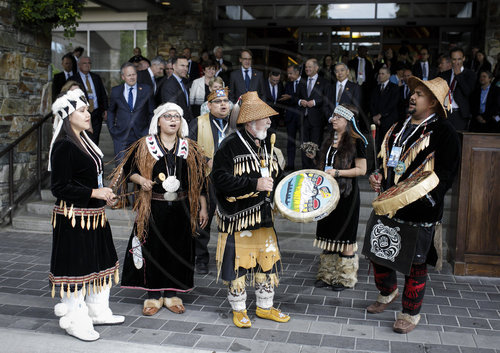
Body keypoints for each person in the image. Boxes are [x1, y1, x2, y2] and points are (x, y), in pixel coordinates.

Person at [366, 77, 460, 334]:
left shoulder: (444, 132)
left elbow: (446, 173)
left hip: (420, 211)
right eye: (413, 92)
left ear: (432, 102)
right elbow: (386, 162)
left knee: (414, 264)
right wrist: (377, 177)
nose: (413, 96)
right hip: (388, 205)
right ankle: (388, 293)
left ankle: (410, 312)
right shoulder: (397, 126)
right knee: (379, 253)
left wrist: (427, 200)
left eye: (419, 94)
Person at [114, 102, 208, 316]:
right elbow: (129, 171)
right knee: (153, 249)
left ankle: (173, 294)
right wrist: (141, 179)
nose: (173, 120)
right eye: (168, 116)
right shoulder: (145, 145)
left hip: (182, 208)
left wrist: (203, 207)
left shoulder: (189, 148)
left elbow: (200, 181)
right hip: (153, 206)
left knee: (178, 249)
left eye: (176, 116)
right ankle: (153, 296)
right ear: (158, 121)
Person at [49, 89, 124, 342]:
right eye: (81, 111)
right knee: (77, 268)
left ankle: (97, 310)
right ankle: (75, 319)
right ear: (67, 116)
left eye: (87, 110)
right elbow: (58, 187)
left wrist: (104, 194)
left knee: (101, 262)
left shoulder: (85, 140)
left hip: (94, 215)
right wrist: (94, 192)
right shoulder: (63, 145)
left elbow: (93, 180)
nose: (87, 114)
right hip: (73, 218)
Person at [212, 91, 290, 328]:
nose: (269, 122)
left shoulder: (266, 142)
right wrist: (254, 184)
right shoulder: (229, 145)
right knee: (239, 263)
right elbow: (218, 179)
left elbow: (275, 175)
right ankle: (239, 310)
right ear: (249, 122)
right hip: (239, 218)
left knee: (267, 261)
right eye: (264, 118)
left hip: (263, 217)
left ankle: (265, 307)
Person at [308, 104, 367, 291]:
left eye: (338, 117)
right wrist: (313, 157)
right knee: (328, 233)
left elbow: (361, 170)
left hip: (347, 195)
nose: (334, 120)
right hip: (327, 194)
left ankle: (344, 276)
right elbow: (324, 166)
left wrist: (338, 172)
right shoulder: (328, 140)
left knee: (345, 236)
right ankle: (327, 274)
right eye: (333, 116)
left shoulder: (357, 142)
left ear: (348, 121)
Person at [189, 87, 232, 274]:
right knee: (203, 219)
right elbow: (188, 147)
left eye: (225, 102)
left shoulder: (235, 123)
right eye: (218, 102)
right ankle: (201, 258)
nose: (223, 105)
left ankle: (230, 256)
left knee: (231, 218)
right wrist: (206, 160)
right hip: (207, 178)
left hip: (231, 178)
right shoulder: (198, 122)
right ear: (209, 105)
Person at [107, 62, 155, 164]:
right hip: (121, 136)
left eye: (134, 74)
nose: (132, 77)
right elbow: (111, 111)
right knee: (121, 169)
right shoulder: (116, 91)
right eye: (129, 75)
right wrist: (112, 129)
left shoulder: (146, 89)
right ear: (123, 77)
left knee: (141, 166)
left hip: (141, 135)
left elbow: (151, 112)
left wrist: (148, 131)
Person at [298, 58, 330, 169]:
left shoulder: (324, 82)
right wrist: (300, 101)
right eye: (306, 67)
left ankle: (315, 167)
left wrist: (315, 102)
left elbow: (326, 98)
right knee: (304, 145)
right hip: (304, 118)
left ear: (316, 68)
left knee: (316, 144)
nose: (307, 69)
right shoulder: (301, 81)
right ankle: (305, 167)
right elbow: (296, 97)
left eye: (310, 67)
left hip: (317, 119)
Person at [73, 56, 108, 145]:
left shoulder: (96, 77)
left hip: (96, 114)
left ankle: (93, 157)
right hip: (82, 114)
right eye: (85, 63)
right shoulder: (73, 79)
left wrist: (105, 109)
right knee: (83, 139)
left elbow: (103, 94)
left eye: (89, 63)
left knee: (95, 139)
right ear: (79, 65)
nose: (87, 65)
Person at [439, 48, 477, 131]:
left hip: (460, 114)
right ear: (451, 60)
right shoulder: (444, 74)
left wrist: (459, 75)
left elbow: (468, 92)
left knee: (457, 140)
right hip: (445, 113)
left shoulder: (470, 74)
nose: (457, 62)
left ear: (464, 58)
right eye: (454, 59)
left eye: (459, 59)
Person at [279, 64, 303, 170]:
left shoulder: (305, 83)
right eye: (288, 73)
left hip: (302, 117)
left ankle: (305, 164)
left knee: (304, 142)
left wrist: (291, 97)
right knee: (290, 142)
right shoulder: (288, 84)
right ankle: (290, 164)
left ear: (297, 72)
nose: (289, 76)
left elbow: (304, 98)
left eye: (291, 73)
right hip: (290, 117)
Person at [371, 67, 400, 148]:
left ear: (388, 75)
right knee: (378, 144)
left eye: (382, 74)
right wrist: (375, 117)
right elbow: (372, 104)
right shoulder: (376, 88)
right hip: (377, 122)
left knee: (388, 143)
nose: (380, 76)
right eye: (379, 74)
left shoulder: (394, 88)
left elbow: (392, 104)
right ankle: (378, 160)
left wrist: (380, 115)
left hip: (389, 120)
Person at [160, 56, 193, 122]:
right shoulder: (169, 85)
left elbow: (187, 106)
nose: (185, 69)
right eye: (182, 66)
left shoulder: (184, 81)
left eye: (187, 66)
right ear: (174, 66)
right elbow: (172, 109)